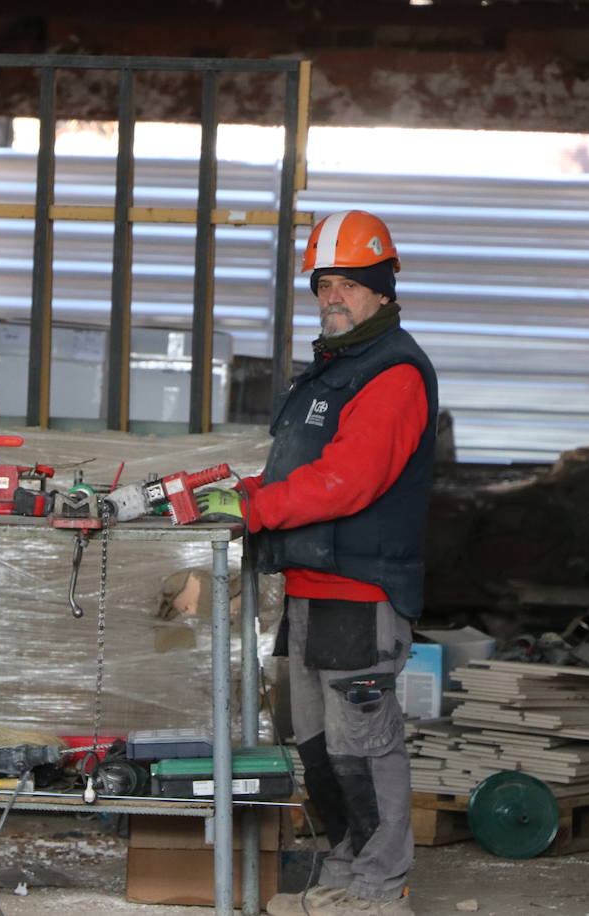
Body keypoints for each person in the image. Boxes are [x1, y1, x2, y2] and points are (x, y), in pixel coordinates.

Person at [192, 210, 437, 916]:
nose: (333, 296)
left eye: (349, 285)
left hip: (361, 589)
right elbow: (301, 467)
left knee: (365, 743)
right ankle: (344, 869)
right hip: (312, 587)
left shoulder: (392, 374)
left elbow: (347, 479)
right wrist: (248, 494)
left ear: (383, 288)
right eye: (324, 283)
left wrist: (255, 509)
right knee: (320, 744)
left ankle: (381, 888)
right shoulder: (334, 369)